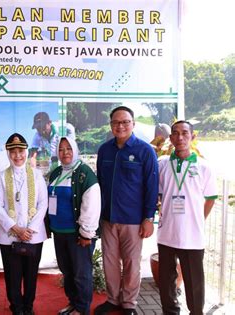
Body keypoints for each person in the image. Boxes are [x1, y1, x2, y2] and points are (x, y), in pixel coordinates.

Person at [95, 106, 158, 315]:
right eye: (116, 122)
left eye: (125, 122)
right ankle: (113, 299)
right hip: (108, 218)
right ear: (111, 125)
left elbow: (152, 186)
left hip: (133, 219)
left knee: (132, 264)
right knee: (110, 262)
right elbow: (100, 185)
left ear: (133, 124)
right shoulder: (104, 150)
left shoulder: (145, 151)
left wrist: (149, 217)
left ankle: (129, 303)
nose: (120, 126)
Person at [157, 121, 217, 315]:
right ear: (170, 138)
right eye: (175, 133)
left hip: (192, 235)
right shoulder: (163, 164)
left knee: (194, 282)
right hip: (167, 233)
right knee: (166, 281)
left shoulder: (204, 167)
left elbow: (210, 199)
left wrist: (198, 219)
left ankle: (196, 312)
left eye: (184, 133)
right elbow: (157, 195)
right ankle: (170, 312)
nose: (180, 137)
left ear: (193, 136)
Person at [0, 133, 48, 315]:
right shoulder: (1, 176)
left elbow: (43, 204)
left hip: (33, 235)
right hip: (10, 236)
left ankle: (28, 307)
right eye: (13, 151)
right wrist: (16, 228)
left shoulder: (36, 175)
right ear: (8, 153)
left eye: (21, 151)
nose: (18, 155)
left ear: (26, 152)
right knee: (12, 275)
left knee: (31, 275)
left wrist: (29, 230)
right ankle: (16, 308)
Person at [47, 137, 101, 315]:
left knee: (81, 274)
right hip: (59, 233)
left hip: (78, 236)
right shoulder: (55, 173)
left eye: (69, 149)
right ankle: (73, 303)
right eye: (61, 150)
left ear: (75, 150)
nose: (65, 153)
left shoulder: (85, 173)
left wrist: (86, 234)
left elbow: (91, 205)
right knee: (67, 272)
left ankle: (83, 308)